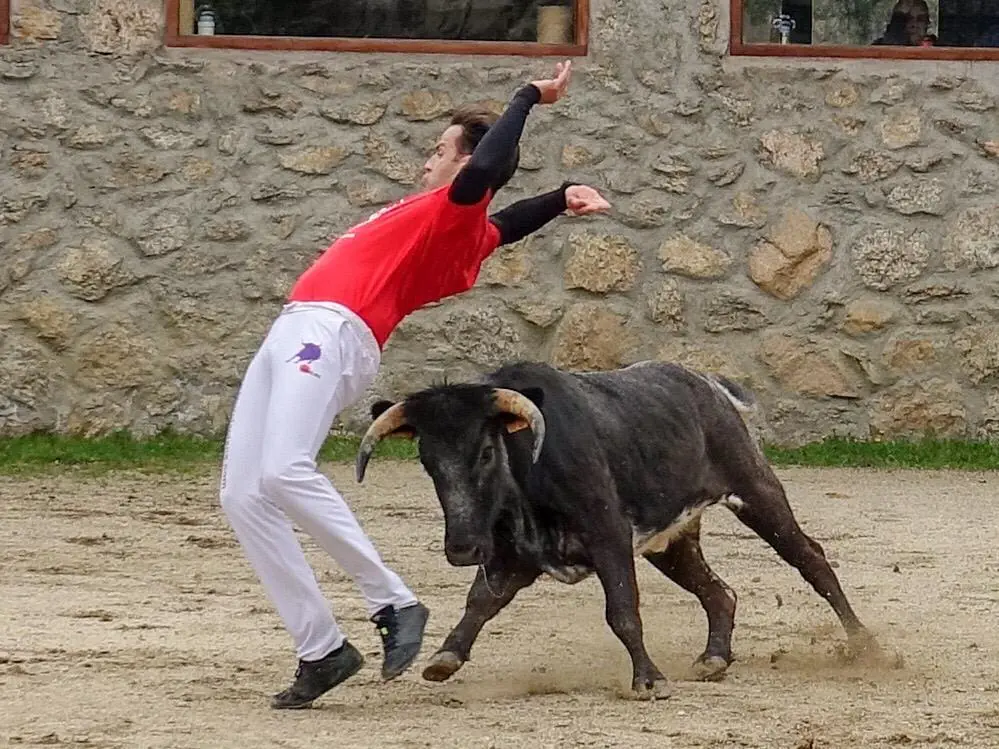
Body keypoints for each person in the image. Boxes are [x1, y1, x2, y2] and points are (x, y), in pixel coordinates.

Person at [218, 59, 612, 711]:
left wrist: (526, 98)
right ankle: (321, 649)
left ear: (466, 165)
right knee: (242, 492)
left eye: (437, 151)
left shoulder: (454, 212)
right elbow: (506, 223)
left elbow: (487, 176)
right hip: (297, 328)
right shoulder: (461, 230)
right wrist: (561, 196)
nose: (424, 163)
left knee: (285, 469)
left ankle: (393, 600)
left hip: (329, 329)